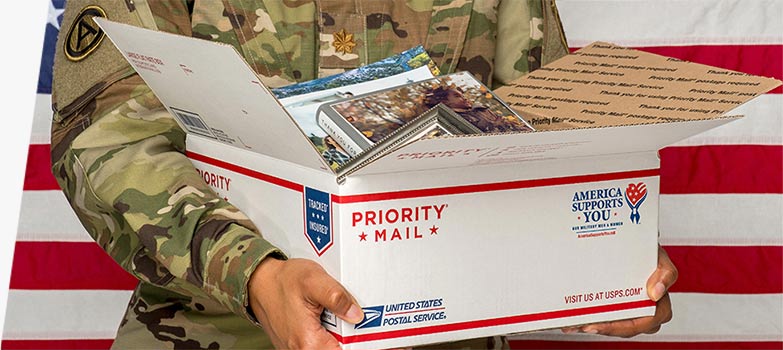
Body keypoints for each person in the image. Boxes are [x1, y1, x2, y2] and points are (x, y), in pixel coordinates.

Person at [50, 1, 676, 349]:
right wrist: (251, 273)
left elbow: (544, 135)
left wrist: (602, 256)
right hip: (208, 332)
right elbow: (106, 142)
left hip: (442, 336)